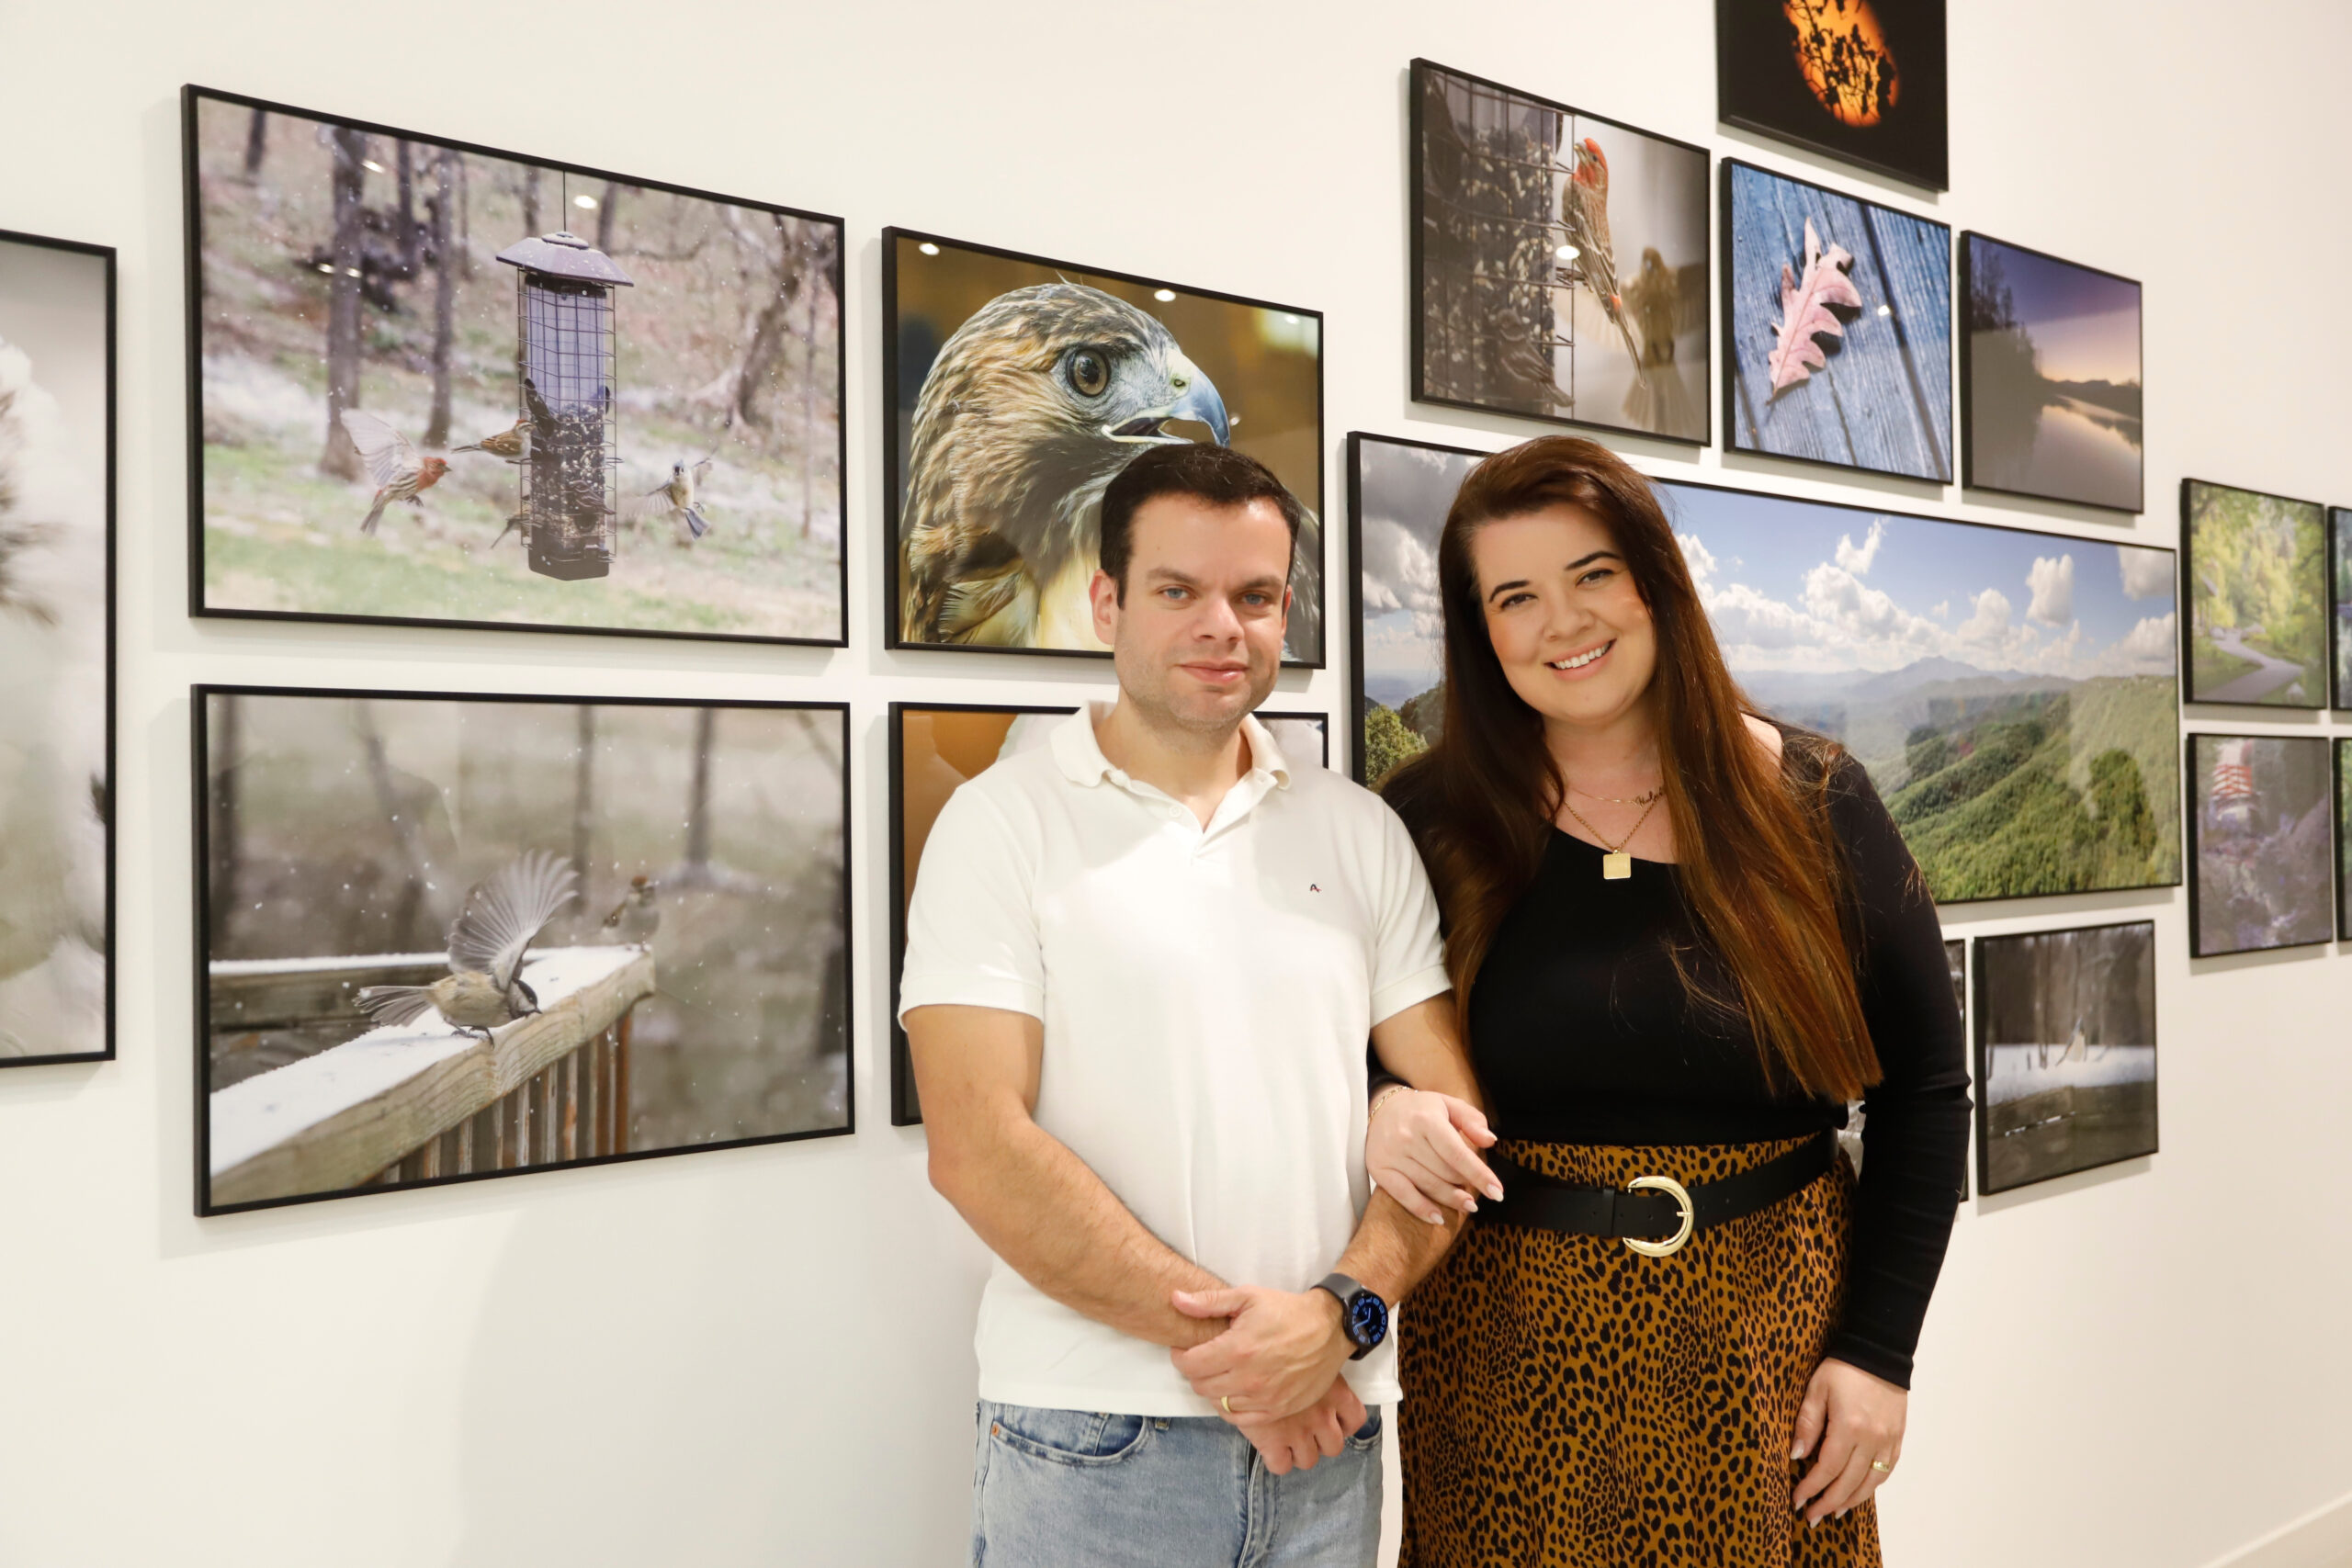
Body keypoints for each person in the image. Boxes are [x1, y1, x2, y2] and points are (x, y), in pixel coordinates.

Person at [1369, 436, 1970, 1566]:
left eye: (1592, 574)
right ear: (1479, 630)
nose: (1562, 622)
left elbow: (1927, 1091)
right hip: (1502, 1354)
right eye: (1515, 597)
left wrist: (1878, 1353)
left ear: (1655, 582)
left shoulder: (1814, 797)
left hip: (1768, 1351)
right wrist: (1380, 1105)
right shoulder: (1427, 820)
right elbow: (1350, 1052)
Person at [901, 442, 1495, 1568]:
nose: (1222, 626)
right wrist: (1254, 1364)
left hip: (1332, 1438)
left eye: (1254, 597)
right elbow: (977, 1149)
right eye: (1178, 591)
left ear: (1284, 614)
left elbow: (1450, 1120)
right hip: (1095, 1443)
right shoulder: (1002, 824)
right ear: (1107, 604)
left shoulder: (1357, 829)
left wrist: (1339, 1316)